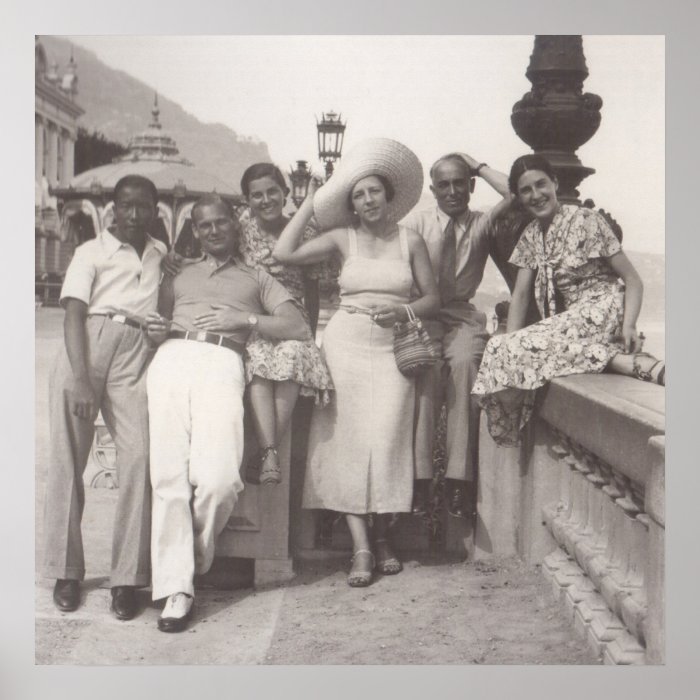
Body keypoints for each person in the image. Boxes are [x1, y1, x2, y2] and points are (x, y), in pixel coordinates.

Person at [273, 138, 440, 587]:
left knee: (388, 442)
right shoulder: (341, 239)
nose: (367, 201)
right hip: (345, 345)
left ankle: (384, 537)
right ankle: (362, 547)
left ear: (389, 196)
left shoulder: (412, 240)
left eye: (374, 192)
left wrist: (403, 311)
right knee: (345, 443)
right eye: (358, 195)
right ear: (352, 204)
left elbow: (432, 297)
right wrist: (309, 201)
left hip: (394, 349)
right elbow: (283, 253)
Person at [145, 193, 309, 632]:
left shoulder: (257, 275)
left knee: (219, 479)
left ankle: (193, 559)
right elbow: (155, 320)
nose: (213, 231)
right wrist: (157, 328)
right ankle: (177, 589)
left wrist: (246, 319)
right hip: (172, 357)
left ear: (235, 225)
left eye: (220, 223)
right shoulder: (179, 274)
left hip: (223, 360)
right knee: (168, 477)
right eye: (204, 225)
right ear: (195, 231)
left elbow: (297, 326)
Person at [472, 154, 665, 447]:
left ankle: (622, 361)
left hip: (605, 309)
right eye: (526, 190)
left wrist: (629, 325)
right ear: (519, 197)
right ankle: (617, 360)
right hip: (576, 319)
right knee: (499, 345)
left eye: (541, 184)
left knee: (508, 347)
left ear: (555, 183)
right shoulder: (531, 235)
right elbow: (521, 295)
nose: (536, 195)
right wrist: (510, 344)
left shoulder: (587, 220)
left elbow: (633, 280)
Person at [43, 174, 166, 620]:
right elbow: (73, 312)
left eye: (143, 207)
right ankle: (66, 571)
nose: (134, 215)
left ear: (155, 209)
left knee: (140, 458)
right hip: (87, 345)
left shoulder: (158, 253)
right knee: (68, 460)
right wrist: (80, 377)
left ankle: (127, 578)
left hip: (135, 352)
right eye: (126, 206)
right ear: (113, 208)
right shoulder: (90, 251)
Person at [401, 153, 511, 518]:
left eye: (459, 182)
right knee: (426, 376)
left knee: (466, 366)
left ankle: (457, 481)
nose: (452, 191)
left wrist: (478, 164)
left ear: (471, 186)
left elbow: (515, 194)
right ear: (432, 189)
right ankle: (418, 481)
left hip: (461, 315)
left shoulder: (481, 224)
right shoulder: (414, 223)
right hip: (422, 314)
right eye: (443, 184)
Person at [237, 163, 333, 485]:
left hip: (291, 317)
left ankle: (266, 452)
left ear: (286, 193)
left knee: (294, 355)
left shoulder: (304, 232)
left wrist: (312, 340)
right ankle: (270, 453)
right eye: (257, 195)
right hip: (255, 316)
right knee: (259, 357)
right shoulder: (241, 229)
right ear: (247, 200)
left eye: (272, 192)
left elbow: (312, 289)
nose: (265, 200)